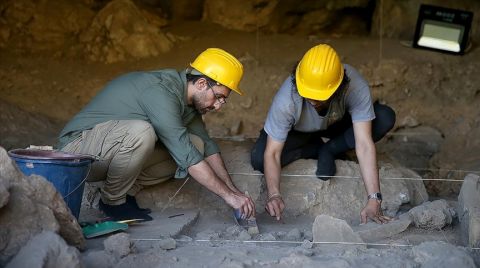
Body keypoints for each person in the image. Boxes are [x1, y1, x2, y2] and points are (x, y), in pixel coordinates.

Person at [58, 48, 255, 221]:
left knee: (197, 144)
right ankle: (112, 201)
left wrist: (235, 192)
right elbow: (186, 156)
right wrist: (228, 198)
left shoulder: (189, 105)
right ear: (202, 83)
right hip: (76, 155)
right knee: (143, 132)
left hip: (106, 155)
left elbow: (207, 147)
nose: (218, 106)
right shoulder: (161, 92)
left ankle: (126, 192)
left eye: (223, 101)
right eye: (218, 97)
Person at [250, 44, 395, 224]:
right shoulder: (287, 98)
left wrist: (374, 199)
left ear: (338, 87)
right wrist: (274, 195)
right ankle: (314, 149)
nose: (312, 100)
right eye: (308, 93)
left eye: (319, 96)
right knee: (258, 158)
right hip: (300, 131)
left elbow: (364, 144)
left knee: (384, 117)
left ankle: (331, 148)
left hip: (336, 123)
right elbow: (272, 153)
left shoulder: (355, 86)